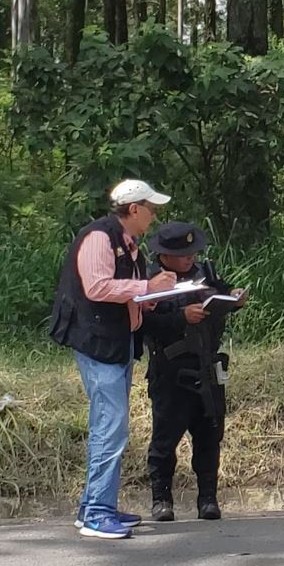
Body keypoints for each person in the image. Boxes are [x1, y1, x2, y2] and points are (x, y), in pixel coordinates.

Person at [49, 179, 176, 539]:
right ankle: (97, 515)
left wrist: (150, 297)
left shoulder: (130, 245)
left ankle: (94, 505)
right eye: (151, 209)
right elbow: (98, 287)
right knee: (111, 427)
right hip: (98, 344)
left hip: (117, 343)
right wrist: (146, 288)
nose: (154, 216)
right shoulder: (99, 238)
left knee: (110, 425)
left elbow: (123, 292)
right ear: (134, 209)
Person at [143, 221, 245, 522]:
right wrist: (180, 317)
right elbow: (143, 323)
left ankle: (208, 499)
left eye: (193, 252)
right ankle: (162, 499)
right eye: (183, 253)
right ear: (164, 255)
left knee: (209, 436)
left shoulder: (205, 274)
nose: (190, 258)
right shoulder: (152, 282)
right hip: (171, 371)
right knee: (165, 439)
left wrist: (235, 299)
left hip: (208, 365)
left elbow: (223, 297)